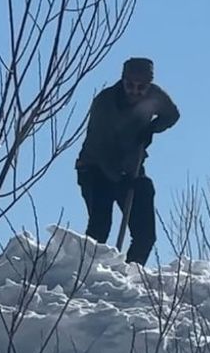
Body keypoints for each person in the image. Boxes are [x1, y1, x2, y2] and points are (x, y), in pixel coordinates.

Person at [75, 57, 180, 265]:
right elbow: (100, 148)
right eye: (130, 85)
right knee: (100, 226)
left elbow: (172, 115)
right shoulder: (105, 103)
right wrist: (122, 175)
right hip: (95, 167)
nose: (135, 91)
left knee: (145, 233)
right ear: (123, 81)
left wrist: (151, 128)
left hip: (131, 167)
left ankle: (130, 275)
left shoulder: (155, 96)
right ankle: (87, 274)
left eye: (141, 87)